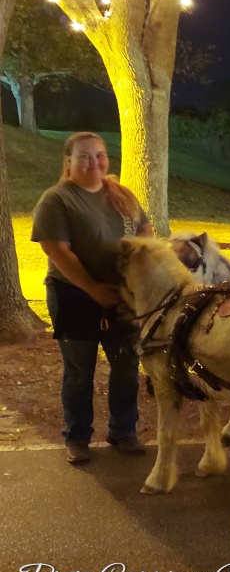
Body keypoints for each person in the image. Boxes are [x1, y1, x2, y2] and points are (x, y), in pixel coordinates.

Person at [31, 132, 153, 465]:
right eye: (84, 156)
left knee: (126, 365)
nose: (94, 162)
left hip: (121, 295)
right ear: (68, 162)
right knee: (80, 370)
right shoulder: (57, 200)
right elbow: (57, 251)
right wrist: (92, 288)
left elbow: (144, 229)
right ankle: (77, 437)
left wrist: (138, 267)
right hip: (72, 295)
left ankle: (123, 431)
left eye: (99, 155)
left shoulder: (121, 194)